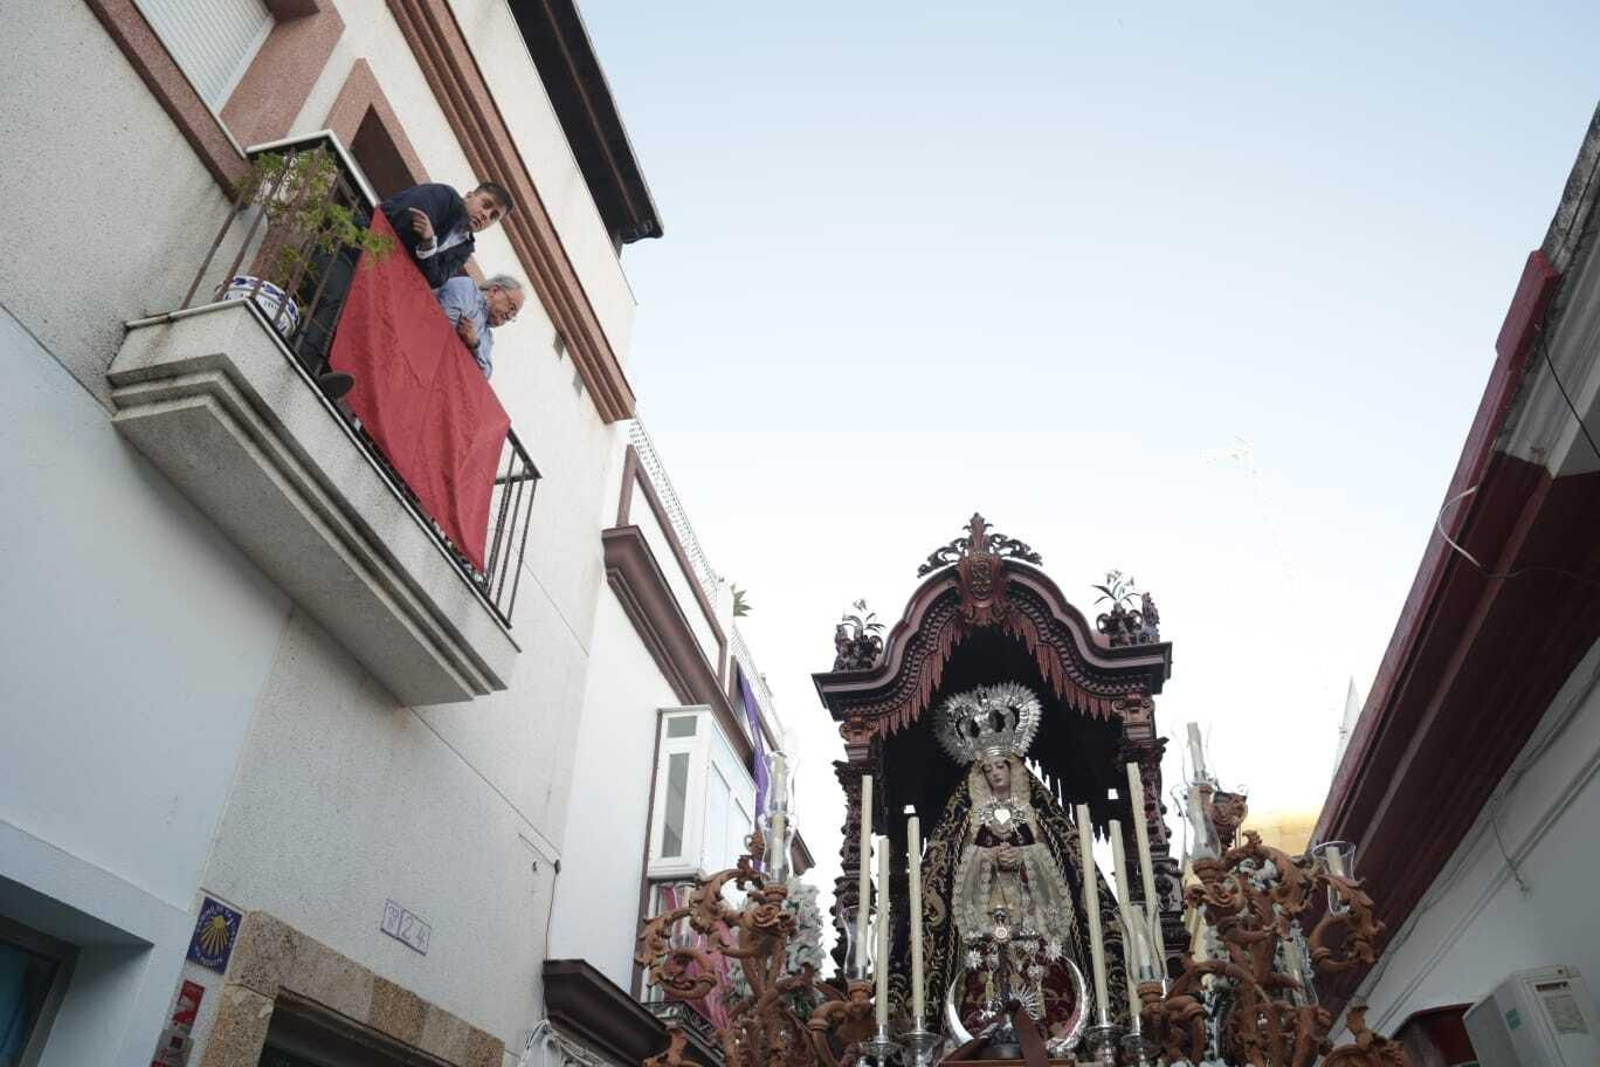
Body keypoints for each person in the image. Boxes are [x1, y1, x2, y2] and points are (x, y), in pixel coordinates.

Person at [921, 682, 1127, 1049]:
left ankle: (1052, 1041)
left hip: (1033, 918)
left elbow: (1062, 862)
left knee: (1045, 977)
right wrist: (987, 858)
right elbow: (953, 867)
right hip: (986, 921)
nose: (995, 773)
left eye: (1001, 765)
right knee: (982, 979)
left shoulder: (1036, 815)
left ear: (1013, 767)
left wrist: (1024, 856)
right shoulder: (968, 820)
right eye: (987, 769)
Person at [380, 180, 515, 288]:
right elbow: (406, 222)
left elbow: (436, 280)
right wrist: (427, 255)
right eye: (486, 205)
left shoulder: (465, 249)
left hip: (390, 278)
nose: (486, 215)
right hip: (374, 242)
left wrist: (428, 244)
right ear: (469, 196)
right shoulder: (444, 196)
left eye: (494, 216)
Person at [434, 274, 525, 379]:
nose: (509, 316)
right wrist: (468, 353)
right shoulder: (467, 289)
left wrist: (475, 345)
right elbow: (441, 323)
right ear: (495, 291)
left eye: (513, 315)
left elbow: (485, 375)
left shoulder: (487, 337)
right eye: (511, 307)